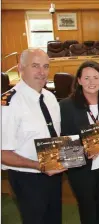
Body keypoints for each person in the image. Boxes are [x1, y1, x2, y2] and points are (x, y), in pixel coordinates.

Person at [1, 49, 65, 224]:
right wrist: (39, 166)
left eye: (45, 66)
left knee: (54, 219)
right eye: (35, 66)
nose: (42, 72)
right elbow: (3, 153)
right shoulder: (9, 103)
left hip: (54, 174)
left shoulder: (51, 98)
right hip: (28, 179)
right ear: (21, 68)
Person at [59, 61, 99, 224]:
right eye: (86, 78)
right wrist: (84, 150)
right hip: (81, 169)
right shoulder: (65, 106)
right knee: (87, 209)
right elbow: (63, 139)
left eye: (95, 77)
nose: (91, 82)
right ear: (78, 80)